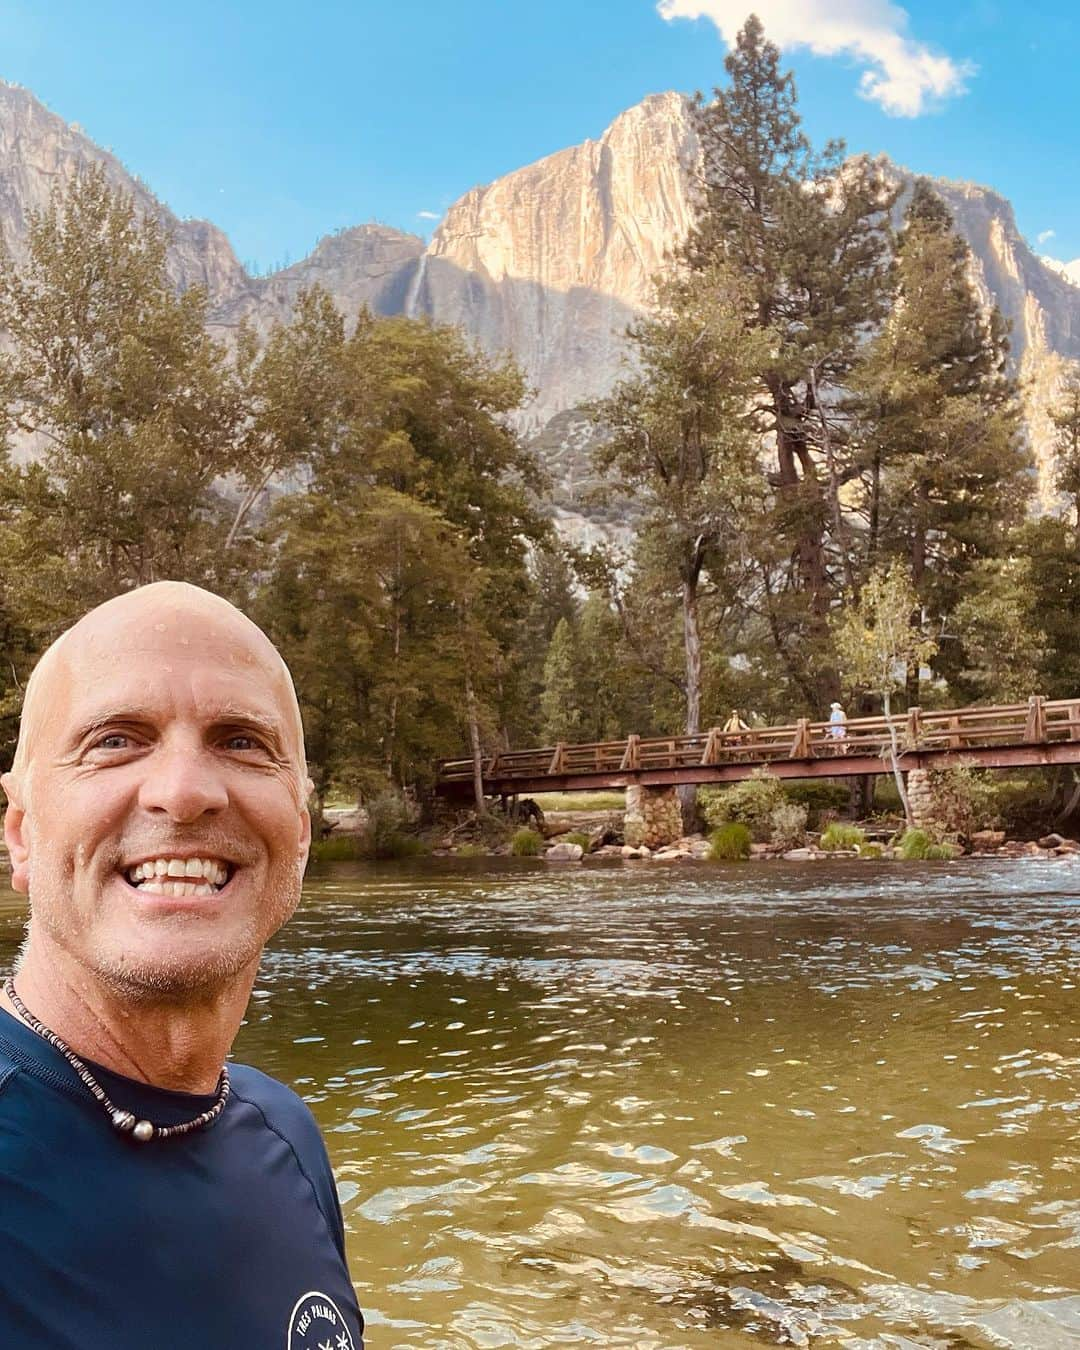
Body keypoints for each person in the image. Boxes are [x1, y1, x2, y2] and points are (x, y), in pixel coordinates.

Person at [0, 582, 364, 1348]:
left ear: (299, 833)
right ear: (22, 832)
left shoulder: (287, 1137)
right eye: (115, 740)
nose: (184, 792)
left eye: (240, 741)